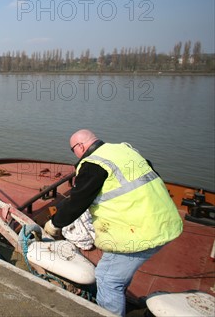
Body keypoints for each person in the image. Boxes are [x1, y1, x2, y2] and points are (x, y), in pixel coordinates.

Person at [43, 129, 183, 316]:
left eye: (73, 150)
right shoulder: (124, 150)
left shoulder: (93, 164)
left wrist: (54, 223)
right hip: (165, 223)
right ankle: (120, 296)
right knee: (118, 275)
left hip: (139, 233)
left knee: (107, 279)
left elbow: (77, 201)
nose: (75, 155)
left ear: (80, 147)